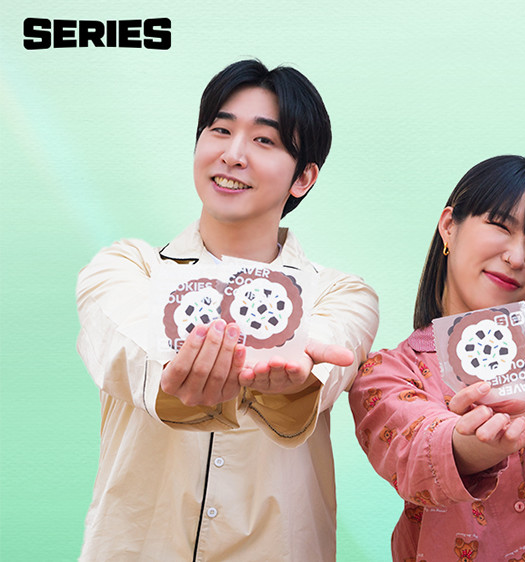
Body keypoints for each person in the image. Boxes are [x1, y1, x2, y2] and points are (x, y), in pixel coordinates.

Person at [75, 59, 378, 560]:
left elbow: (324, 368)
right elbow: (124, 353)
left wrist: (293, 384)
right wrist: (182, 374)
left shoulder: (341, 293)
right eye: (220, 130)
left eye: (264, 140)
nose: (233, 154)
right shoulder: (127, 267)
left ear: (303, 177)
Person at [348, 155, 525, 561]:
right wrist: (472, 445)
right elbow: (416, 449)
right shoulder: (387, 374)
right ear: (449, 226)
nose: (517, 258)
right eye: (500, 226)